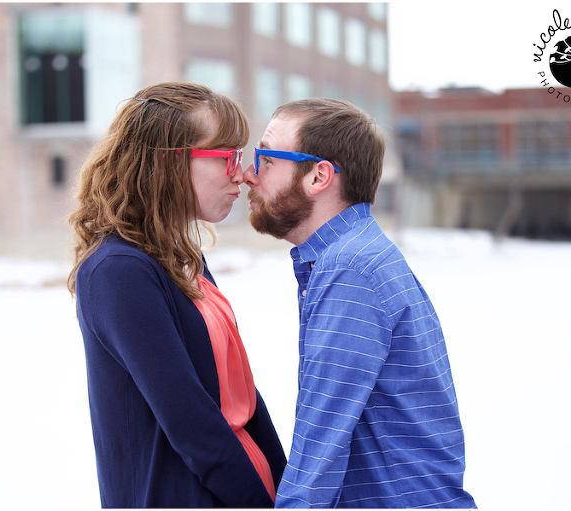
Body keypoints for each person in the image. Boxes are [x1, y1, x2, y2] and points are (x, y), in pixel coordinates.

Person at [243, 98, 476, 508]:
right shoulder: (357, 255)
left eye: (267, 159)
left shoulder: (350, 269)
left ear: (318, 176)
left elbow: (321, 446)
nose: (249, 174)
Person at [67, 82, 287, 508]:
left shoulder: (183, 258)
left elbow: (244, 401)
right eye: (226, 157)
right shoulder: (118, 270)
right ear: (167, 162)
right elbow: (192, 424)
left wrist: (289, 493)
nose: (241, 174)